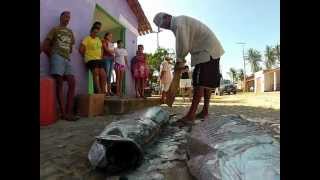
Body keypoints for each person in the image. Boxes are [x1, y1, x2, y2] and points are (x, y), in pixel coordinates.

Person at [153, 12, 224, 125]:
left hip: (206, 50)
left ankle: (191, 115)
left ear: (167, 17)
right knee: (206, 84)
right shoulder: (178, 23)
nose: (163, 27)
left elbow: (183, 45)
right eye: (161, 26)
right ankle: (205, 111)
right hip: (210, 49)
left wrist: (179, 60)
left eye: (162, 24)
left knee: (199, 82)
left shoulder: (178, 23)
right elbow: (182, 43)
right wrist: (180, 60)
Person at [42, 11, 78, 121]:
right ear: (61, 18)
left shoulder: (70, 32)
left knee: (72, 82)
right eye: (66, 16)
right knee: (59, 83)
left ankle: (68, 111)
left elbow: (71, 47)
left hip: (66, 59)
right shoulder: (55, 29)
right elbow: (45, 45)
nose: (68, 19)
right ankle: (63, 113)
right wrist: (52, 56)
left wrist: (65, 53)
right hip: (57, 57)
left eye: (69, 17)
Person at [79, 25, 107, 94]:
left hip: (98, 59)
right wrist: (86, 56)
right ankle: (98, 91)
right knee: (96, 72)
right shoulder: (87, 38)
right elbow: (81, 49)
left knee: (103, 74)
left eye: (97, 32)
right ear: (91, 32)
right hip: (91, 60)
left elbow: (101, 48)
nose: (95, 34)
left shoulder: (98, 39)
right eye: (94, 32)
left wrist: (101, 56)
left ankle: (104, 92)